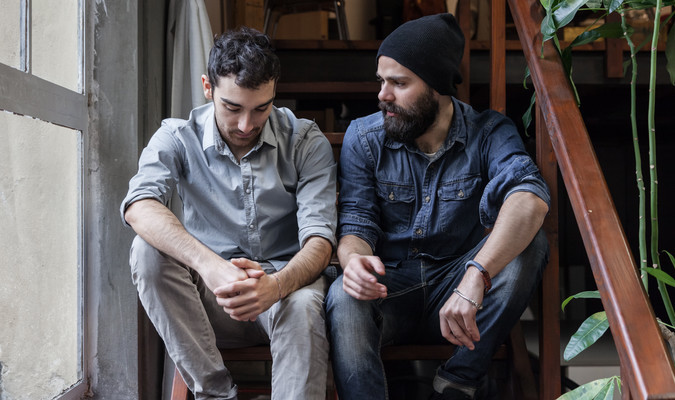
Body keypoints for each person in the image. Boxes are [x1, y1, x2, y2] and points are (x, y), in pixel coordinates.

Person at [325, 13, 550, 400]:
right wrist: (354, 261)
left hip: (459, 289)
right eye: (382, 81)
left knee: (531, 241)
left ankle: (457, 383)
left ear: (438, 87)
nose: (383, 95)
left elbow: (529, 198)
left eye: (399, 83)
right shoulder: (364, 137)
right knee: (344, 296)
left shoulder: (489, 132)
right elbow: (356, 224)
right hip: (389, 289)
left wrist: (475, 276)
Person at [121, 27, 337, 400]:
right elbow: (139, 206)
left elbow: (320, 241)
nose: (246, 125)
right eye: (232, 107)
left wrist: (277, 285)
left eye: (261, 109)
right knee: (146, 252)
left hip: (287, 292)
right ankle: (217, 395)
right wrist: (210, 266)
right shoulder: (177, 136)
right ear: (208, 87)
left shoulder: (305, 140)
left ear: (274, 93)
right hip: (209, 300)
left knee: (303, 307)